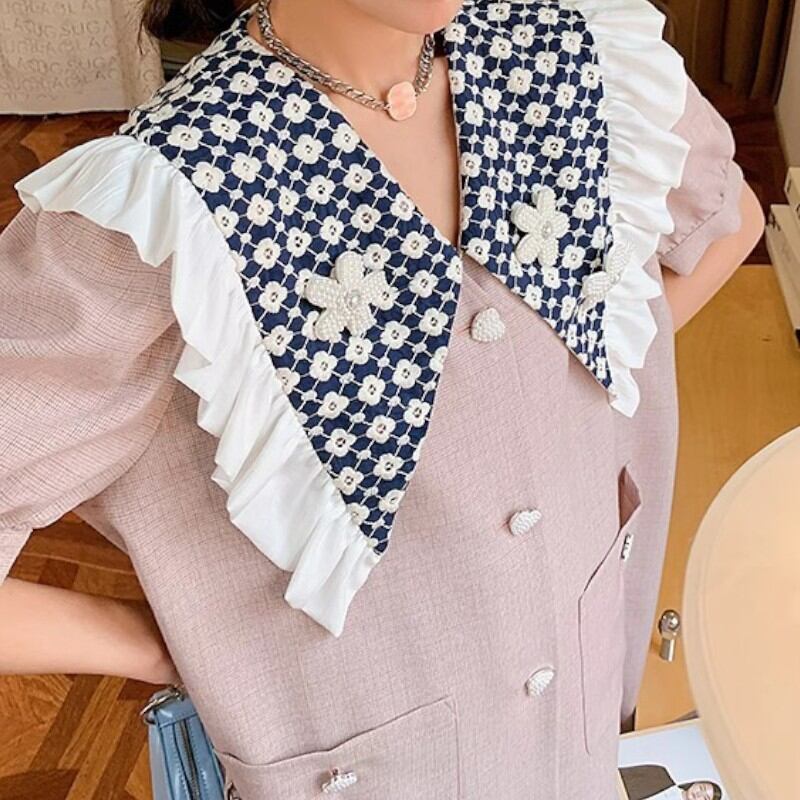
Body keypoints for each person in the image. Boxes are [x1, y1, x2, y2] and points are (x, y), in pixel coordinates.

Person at [0, 0, 764, 797]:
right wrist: (161, 644)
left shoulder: (578, 53)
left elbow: (726, 223)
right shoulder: (161, 213)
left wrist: (560, 391)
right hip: (368, 757)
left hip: (584, 696)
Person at [620, 764, 724, 800]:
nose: (699, 794)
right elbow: (619, 773)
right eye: (701, 788)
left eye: (705, 798)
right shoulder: (658, 772)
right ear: (695, 783)